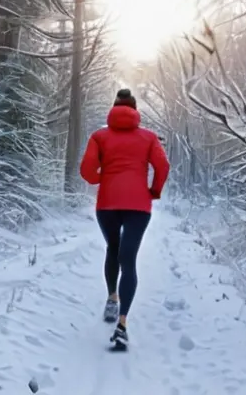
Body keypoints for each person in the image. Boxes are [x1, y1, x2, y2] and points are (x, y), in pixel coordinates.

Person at [79, 88, 170, 348]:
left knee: (113, 248)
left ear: (114, 108)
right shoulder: (149, 137)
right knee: (128, 259)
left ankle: (111, 297)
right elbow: (163, 166)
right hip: (139, 205)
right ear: (135, 109)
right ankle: (122, 323)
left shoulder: (100, 136)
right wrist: (154, 190)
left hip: (107, 202)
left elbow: (86, 170)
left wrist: (102, 178)